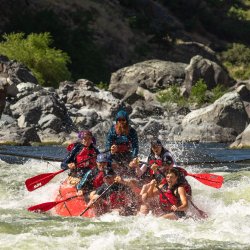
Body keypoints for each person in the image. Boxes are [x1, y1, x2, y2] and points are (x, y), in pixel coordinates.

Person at [106, 109, 139, 177]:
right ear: (116, 121)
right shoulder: (112, 131)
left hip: (127, 154)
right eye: (119, 120)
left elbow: (135, 146)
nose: (121, 122)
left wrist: (134, 157)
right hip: (114, 154)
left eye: (123, 120)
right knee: (110, 165)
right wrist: (111, 150)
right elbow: (108, 144)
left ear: (127, 121)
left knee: (131, 168)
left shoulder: (132, 131)